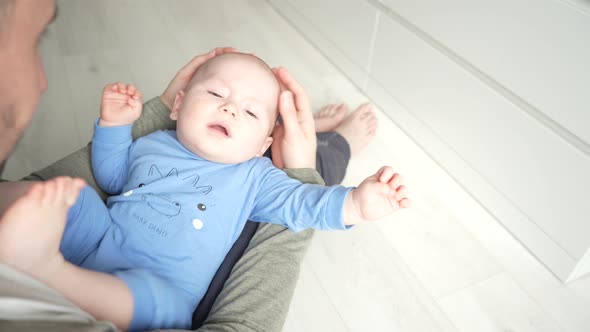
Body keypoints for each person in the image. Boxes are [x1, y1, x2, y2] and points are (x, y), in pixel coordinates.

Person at [0, 1, 385, 331]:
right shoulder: (153, 143)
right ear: (179, 105)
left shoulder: (258, 177)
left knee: (151, 293)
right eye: (217, 93)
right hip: (102, 242)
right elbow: (113, 177)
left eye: (250, 112)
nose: (230, 107)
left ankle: (48, 272)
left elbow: (303, 203)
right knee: (77, 197)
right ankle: (11, 202)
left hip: (160, 293)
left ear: (261, 147)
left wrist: (355, 203)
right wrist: (115, 129)